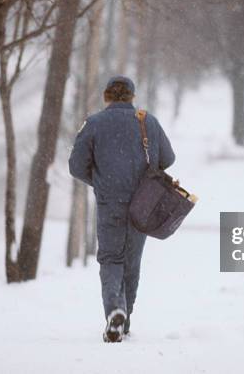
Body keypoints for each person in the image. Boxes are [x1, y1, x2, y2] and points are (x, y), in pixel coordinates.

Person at [68, 76, 175, 342]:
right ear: (131, 96)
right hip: (143, 203)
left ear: (107, 96)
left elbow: (76, 165)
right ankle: (124, 320)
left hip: (109, 203)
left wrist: (100, 181)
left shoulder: (93, 124)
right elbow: (168, 158)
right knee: (131, 261)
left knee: (110, 259)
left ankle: (115, 309)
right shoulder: (146, 120)